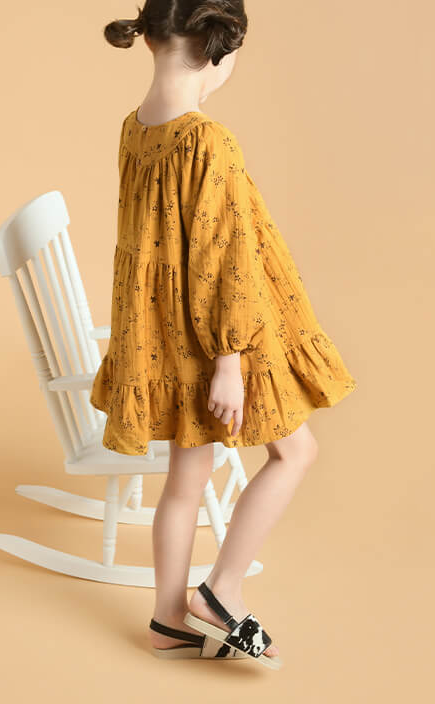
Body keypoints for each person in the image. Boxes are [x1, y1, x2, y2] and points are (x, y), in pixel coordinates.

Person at [92, 0, 357, 668]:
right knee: (295, 454)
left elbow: (145, 249)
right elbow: (224, 258)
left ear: (149, 40)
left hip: (170, 337)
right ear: (221, 49)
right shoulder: (208, 141)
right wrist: (230, 361)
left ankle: (167, 618)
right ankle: (221, 590)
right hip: (220, 340)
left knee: (185, 482)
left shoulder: (135, 129)